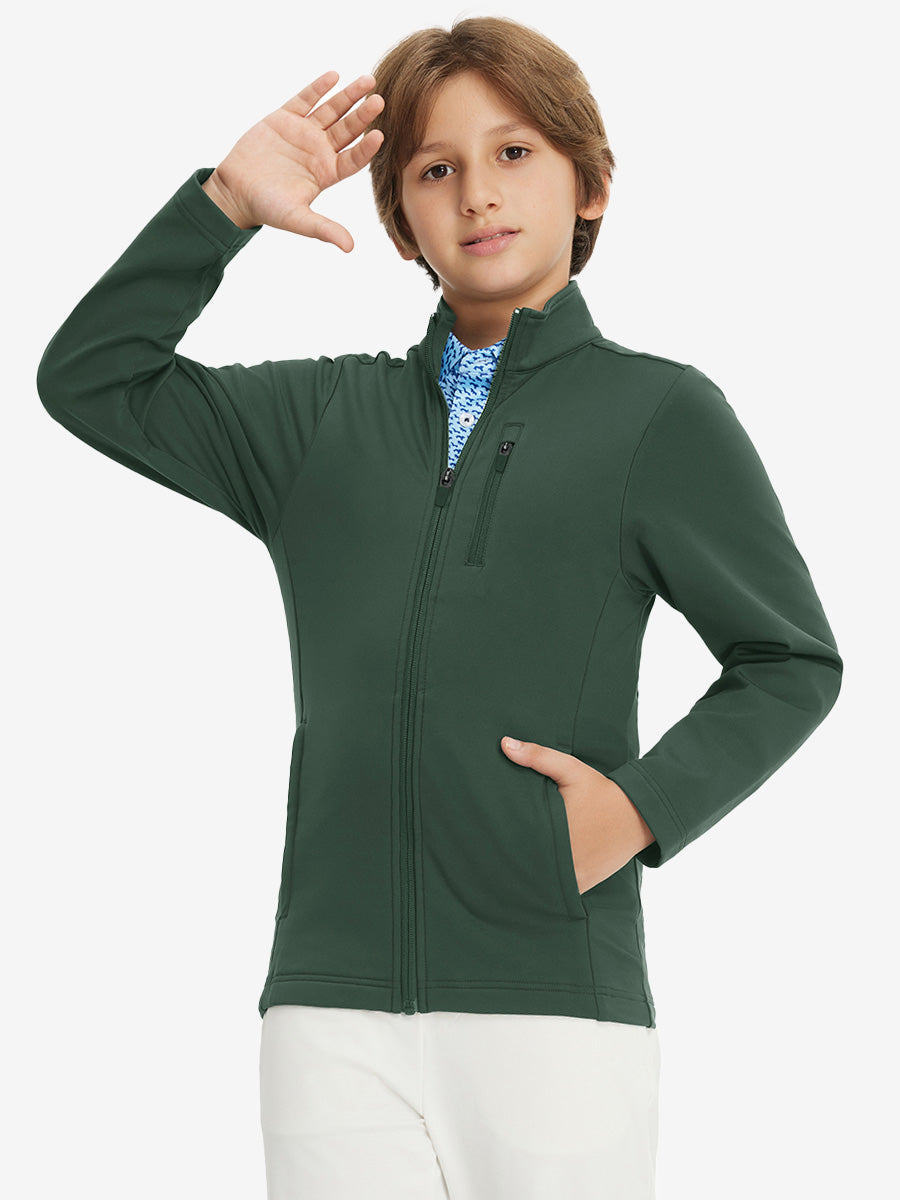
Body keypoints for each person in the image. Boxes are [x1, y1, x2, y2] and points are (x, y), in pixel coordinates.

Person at [36, 15, 842, 1200]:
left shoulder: (658, 416)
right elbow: (92, 377)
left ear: (589, 184)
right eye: (434, 168)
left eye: (514, 153)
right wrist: (225, 205)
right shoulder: (320, 422)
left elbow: (789, 658)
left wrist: (638, 811)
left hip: (553, 1006)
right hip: (329, 1015)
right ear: (400, 218)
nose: (478, 193)